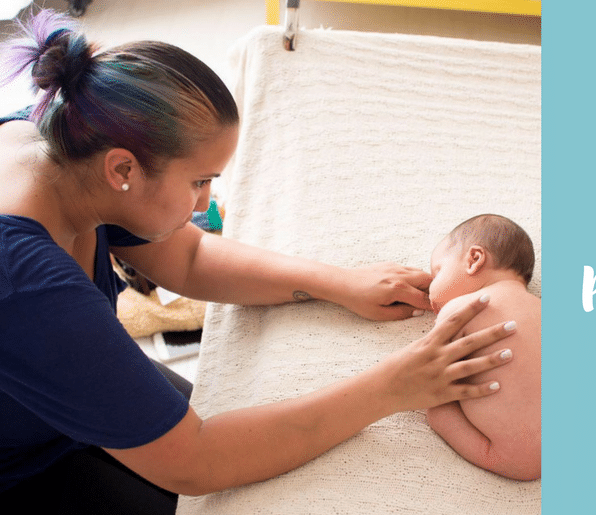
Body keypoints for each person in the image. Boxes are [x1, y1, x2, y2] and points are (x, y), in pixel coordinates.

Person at [0, 10, 516, 513]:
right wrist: (392, 386)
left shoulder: (68, 143)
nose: (204, 206)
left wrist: (338, 283)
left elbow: (189, 257)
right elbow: (195, 459)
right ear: (123, 169)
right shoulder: (29, 286)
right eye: (200, 181)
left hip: (55, 402)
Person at [426, 214, 541, 481]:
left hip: (520, 459)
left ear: (474, 259)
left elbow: (428, 368)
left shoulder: (463, 308)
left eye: (437, 272)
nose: (429, 287)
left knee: (436, 410)